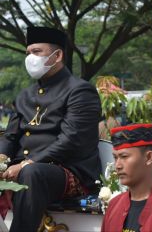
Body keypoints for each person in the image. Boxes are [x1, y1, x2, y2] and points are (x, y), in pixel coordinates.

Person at [0, 27, 101, 232]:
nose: (30, 58)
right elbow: (10, 136)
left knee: (31, 173)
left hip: (67, 170)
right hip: (22, 168)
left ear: (58, 55)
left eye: (37, 52)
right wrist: (1, 158)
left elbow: (71, 140)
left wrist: (28, 163)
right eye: (28, 53)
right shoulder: (24, 95)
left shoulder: (80, 90)